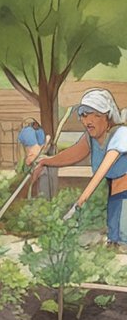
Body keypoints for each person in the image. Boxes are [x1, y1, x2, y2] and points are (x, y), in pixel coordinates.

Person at [31, 89, 127, 247]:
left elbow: (102, 171)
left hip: (124, 192)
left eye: (92, 114)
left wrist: (79, 203)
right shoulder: (91, 137)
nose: (86, 120)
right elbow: (73, 154)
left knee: (123, 240)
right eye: (82, 114)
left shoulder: (121, 134)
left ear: (106, 115)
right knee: (114, 239)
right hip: (115, 192)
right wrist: (46, 161)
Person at [19, 117, 56, 197]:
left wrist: (46, 143)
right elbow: (33, 155)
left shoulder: (38, 132)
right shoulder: (27, 132)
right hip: (33, 161)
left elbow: (38, 151)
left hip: (37, 160)